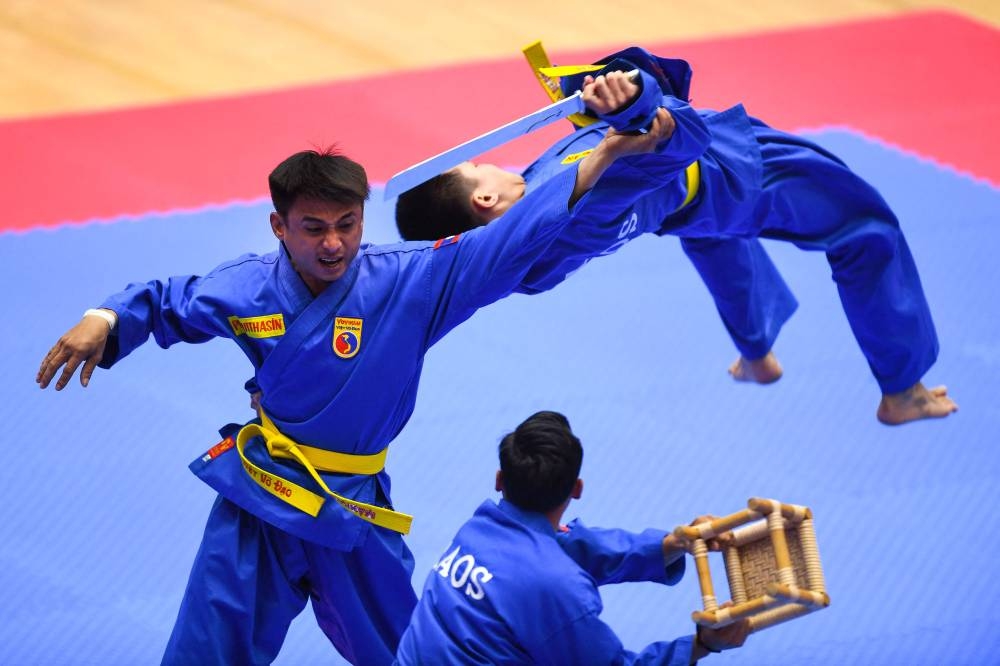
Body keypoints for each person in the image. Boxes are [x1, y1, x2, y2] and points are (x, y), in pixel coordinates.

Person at [34, 70, 681, 666]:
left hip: (352, 512)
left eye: (346, 224)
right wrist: (108, 317)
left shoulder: (410, 282)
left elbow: (503, 241)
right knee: (204, 651)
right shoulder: (247, 291)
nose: (334, 242)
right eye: (312, 228)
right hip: (262, 499)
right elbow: (170, 301)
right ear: (278, 226)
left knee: (414, 653)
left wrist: (601, 155)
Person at [395, 46, 958, 426]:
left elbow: (601, 154)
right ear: (483, 200)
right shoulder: (576, 200)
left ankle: (757, 352)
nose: (488, 163)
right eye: (476, 168)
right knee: (864, 228)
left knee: (717, 239)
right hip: (729, 174)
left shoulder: (527, 235)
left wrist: (594, 98)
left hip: (678, 207)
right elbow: (680, 133)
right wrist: (634, 100)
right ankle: (901, 386)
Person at [395, 410, 750, 664]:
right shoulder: (559, 591)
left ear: (500, 480)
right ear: (577, 489)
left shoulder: (477, 530)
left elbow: (564, 546)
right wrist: (701, 644)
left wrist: (670, 545)